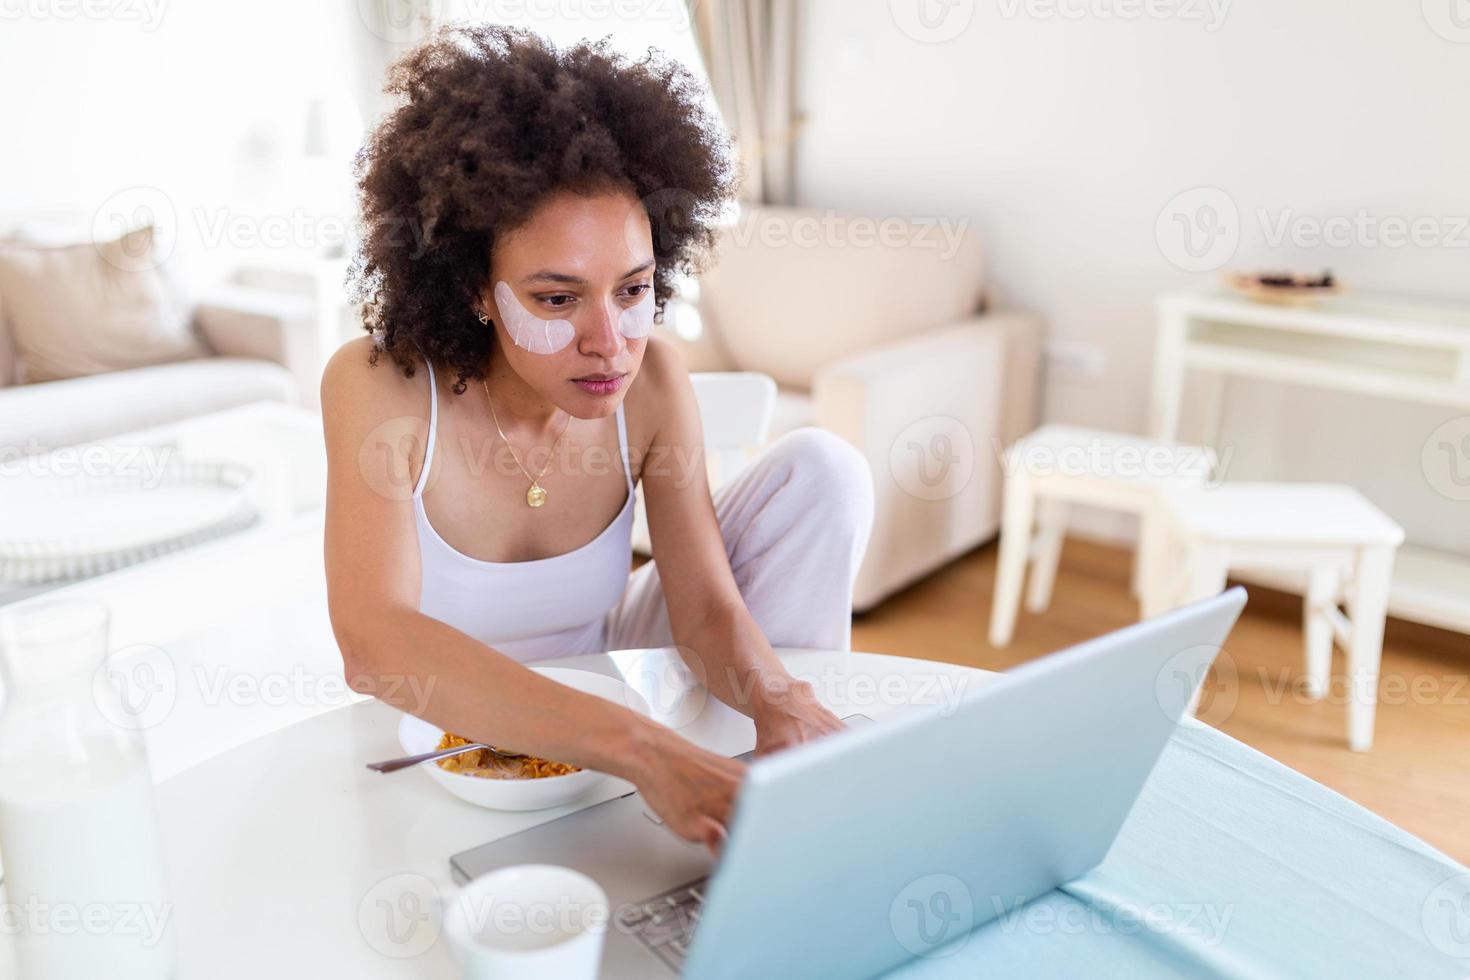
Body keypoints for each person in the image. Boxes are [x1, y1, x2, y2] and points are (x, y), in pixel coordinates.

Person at [321, 25, 873, 854]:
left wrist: (777, 696)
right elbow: (375, 646)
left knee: (824, 472)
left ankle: (783, 772)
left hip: (609, 664)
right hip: (439, 730)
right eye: (556, 299)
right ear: (474, 286)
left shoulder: (652, 384)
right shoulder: (380, 386)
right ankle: (692, 770)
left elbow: (706, 606)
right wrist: (637, 746)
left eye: (633, 290)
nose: (610, 341)